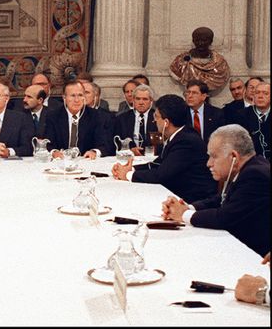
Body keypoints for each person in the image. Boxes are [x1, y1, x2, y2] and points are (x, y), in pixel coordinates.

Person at [161, 125, 270, 256]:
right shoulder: (251, 166)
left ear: (233, 156)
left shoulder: (255, 175)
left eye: (213, 156)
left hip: (253, 256)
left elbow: (226, 217)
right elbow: (221, 199)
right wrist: (188, 208)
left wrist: (183, 215)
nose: (208, 163)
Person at [112, 94, 216, 202]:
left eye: (156, 117)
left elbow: (161, 175)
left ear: (166, 122)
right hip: (178, 192)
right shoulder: (179, 135)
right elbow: (158, 163)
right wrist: (131, 168)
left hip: (192, 199)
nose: (154, 121)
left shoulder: (186, 141)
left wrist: (128, 175)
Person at [45, 80, 112, 159]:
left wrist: (94, 152)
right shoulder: (53, 116)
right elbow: (48, 143)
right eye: (73, 95)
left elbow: (104, 144)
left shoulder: (96, 116)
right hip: (60, 162)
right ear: (64, 97)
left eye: (80, 95)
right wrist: (54, 152)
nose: (77, 100)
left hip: (86, 162)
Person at [169, 26, 231, 92]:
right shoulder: (180, 61)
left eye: (204, 40)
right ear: (193, 41)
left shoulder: (220, 63)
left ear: (211, 41)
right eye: (197, 40)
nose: (200, 43)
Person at [112, 84, 157, 155]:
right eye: (138, 99)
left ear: (151, 101)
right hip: (129, 156)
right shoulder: (122, 118)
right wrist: (130, 150)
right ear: (133, 100)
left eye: (145, 99)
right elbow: (117, 141)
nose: (141, 102)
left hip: (151, 157)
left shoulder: (157, 118)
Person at [184, 79, 225, 145]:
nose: (190, 96)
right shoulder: (181, 113)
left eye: (194, 93)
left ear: (203, 96)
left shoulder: (216, 114)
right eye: (188, 92)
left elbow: (221, 138)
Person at [239, 82, 270, 159]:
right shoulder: (241, 115)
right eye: (257, 93)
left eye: (265, 93)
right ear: (253, 96)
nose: (260, 96)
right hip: (252, 162)